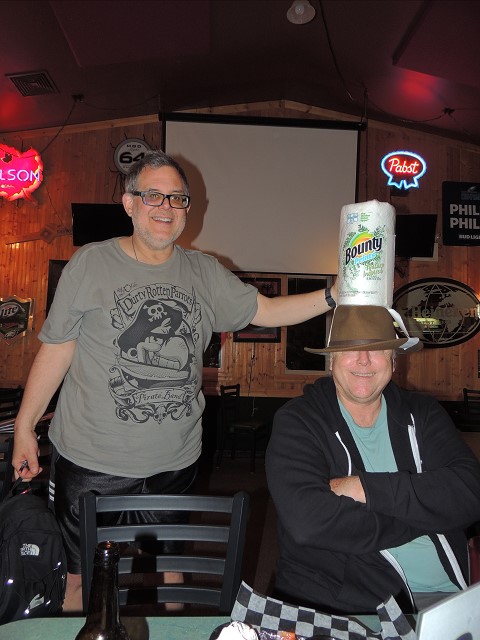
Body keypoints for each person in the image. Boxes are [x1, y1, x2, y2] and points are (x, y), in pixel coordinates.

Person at [12, 149, 338, 612]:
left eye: (177, 198)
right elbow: (58, 346)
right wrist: (25, 427)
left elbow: (266, 310)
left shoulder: (203, 271)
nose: (166, 207)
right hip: (92, 461)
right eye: (153, 195)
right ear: (129, 203)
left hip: (174, 461)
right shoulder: (90, 263)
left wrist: (333, 295)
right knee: (81, 578)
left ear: (187, 208)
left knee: (169, 573)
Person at [266, 305, 480, 615]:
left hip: (445, 597)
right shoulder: (298, 421)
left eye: (378, 349)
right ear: (331, 360)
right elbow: (308, 523)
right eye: (350, 349)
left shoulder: (423, 413)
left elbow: (471, 491)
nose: (364, 360)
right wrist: (428, 513)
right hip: (351, 605)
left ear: (393, 360)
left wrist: (364, 488)